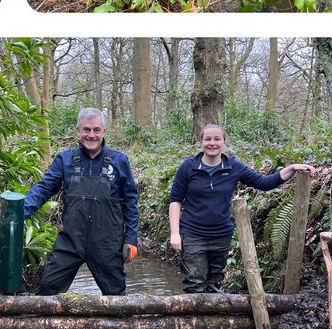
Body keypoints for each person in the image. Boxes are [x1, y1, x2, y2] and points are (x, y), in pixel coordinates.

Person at [170, 125, 315, 292]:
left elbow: (264, 183)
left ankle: (212, 318)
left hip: (221, 236)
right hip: (193, 235)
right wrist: (175, 234)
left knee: (213, 284)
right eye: (207, 139)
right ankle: (196, 318)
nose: (212, 143)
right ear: (201, 142)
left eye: (217, 139)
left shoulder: (234, 167)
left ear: (224, 143)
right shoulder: (188, 167)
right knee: (194, 284)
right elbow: (175, 201)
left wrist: (291, 168)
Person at [23, 108, 140, 296]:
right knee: (47, 287)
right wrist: (20, 211)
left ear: (104, 132)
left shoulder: (119, 161)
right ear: (78, 131)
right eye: (86, 130)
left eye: (96, 130)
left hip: (108, 244)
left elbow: (131, 203)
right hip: (71, 241)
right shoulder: (65, 159)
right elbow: (44, 188)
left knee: (116, 296)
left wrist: (132, 238)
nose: (91, 135)